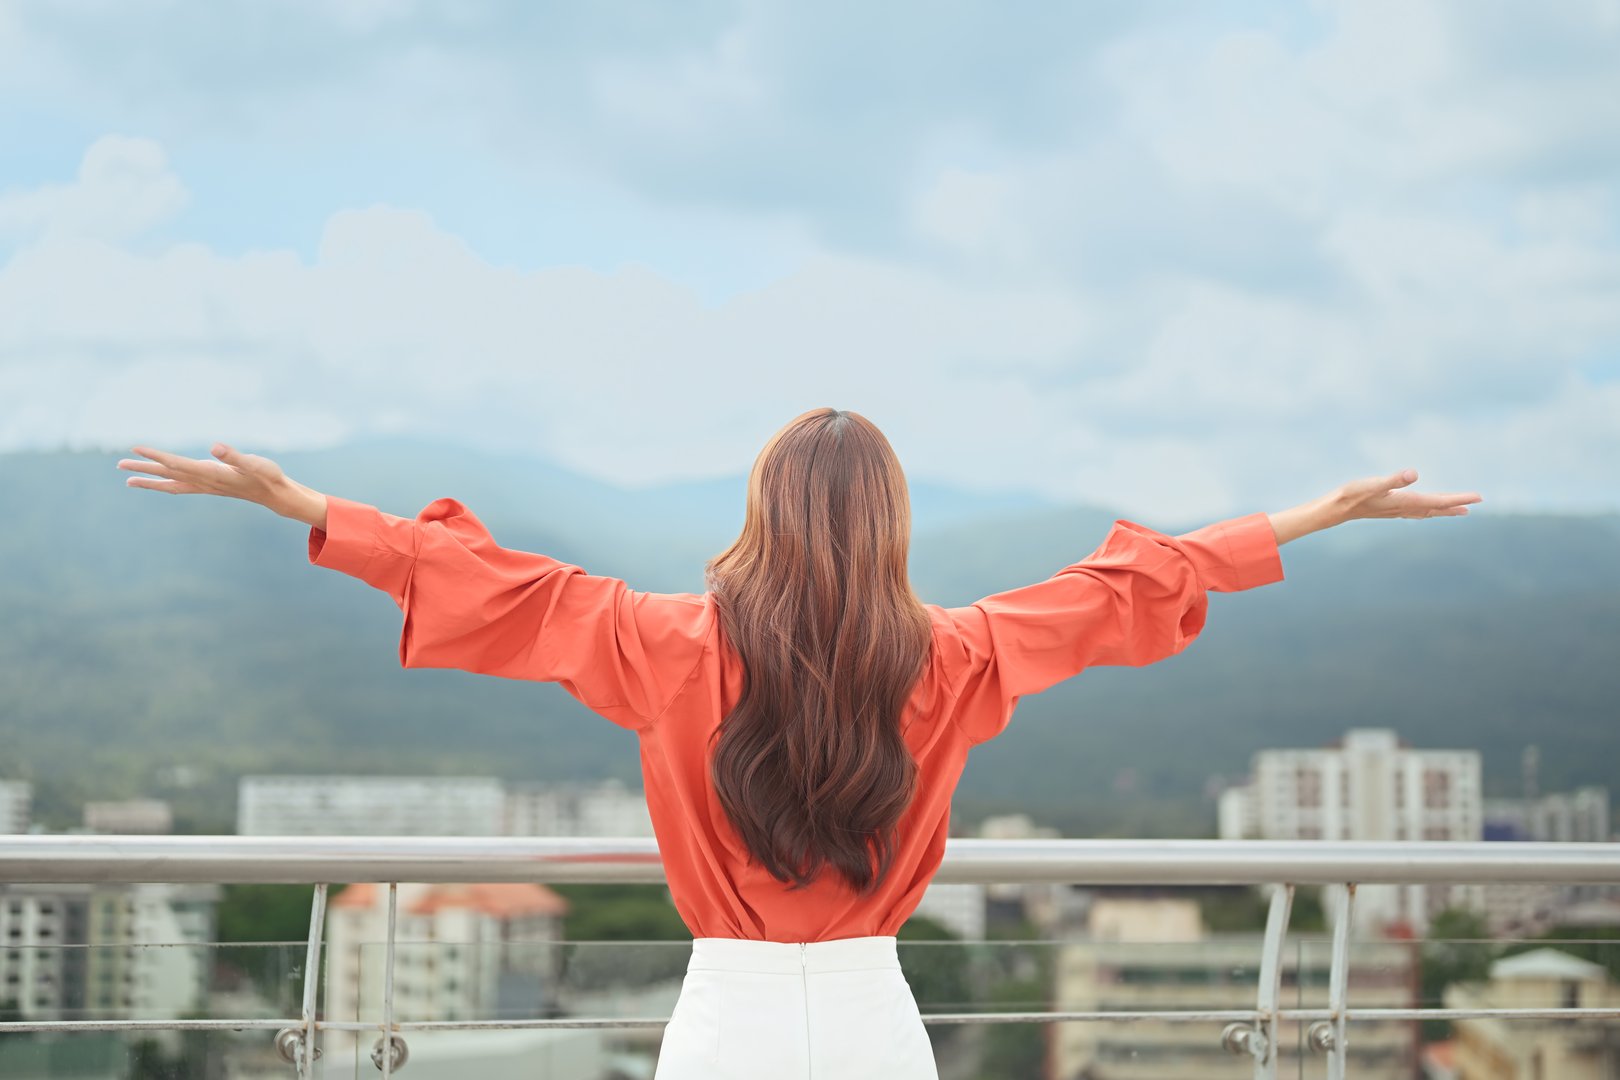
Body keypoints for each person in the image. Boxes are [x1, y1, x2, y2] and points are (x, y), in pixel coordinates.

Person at [118, 408, 1481, 1079]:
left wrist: (296, 497)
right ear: (888, 522)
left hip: (726, 1019)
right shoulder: (952, 652)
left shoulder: (664, 641)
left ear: (763, 509)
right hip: (880, 1015)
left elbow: (494, 586)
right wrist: (1322, 513)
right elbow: (1136, 583)